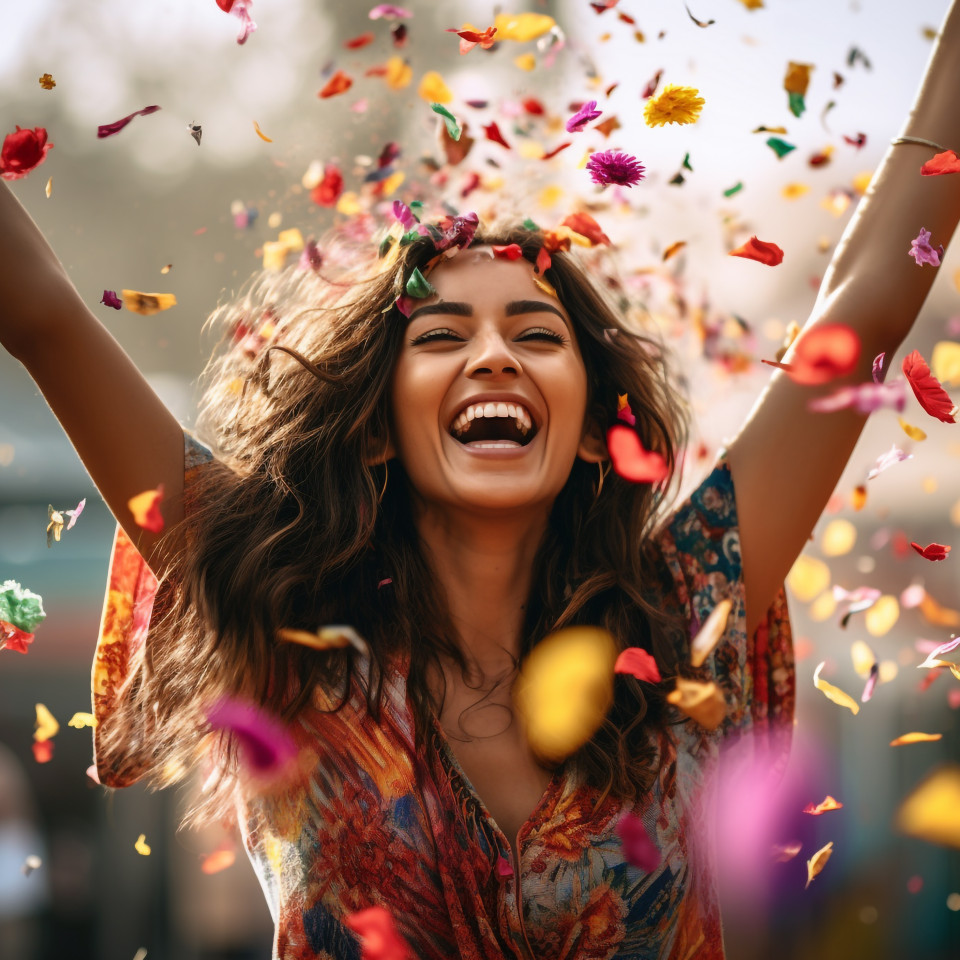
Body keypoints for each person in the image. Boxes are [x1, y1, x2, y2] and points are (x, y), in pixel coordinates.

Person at [2, 2, 959, 956]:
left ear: (594, 432)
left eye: (537, 335)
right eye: (445, 336)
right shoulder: (282, 624)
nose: (495, 355)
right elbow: (41, 311)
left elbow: (865, 304)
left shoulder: (685, 615)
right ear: (379, 427)